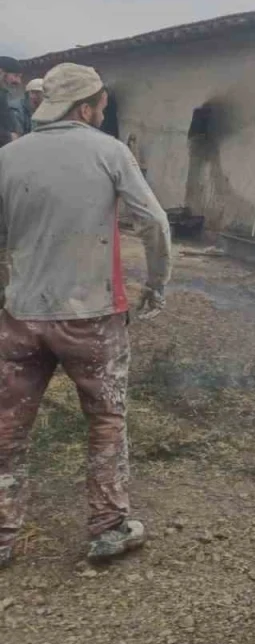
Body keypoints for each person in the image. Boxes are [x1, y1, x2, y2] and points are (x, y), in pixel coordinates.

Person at [0, 63, 171, 566]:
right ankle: (108, 528)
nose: (103, 112)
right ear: (84, 107)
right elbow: (154, 222)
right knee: (106, 420)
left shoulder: (7, 157)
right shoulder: (109, 152)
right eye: (100, 105)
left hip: (22, 316)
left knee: (8, 428)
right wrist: (157, 285)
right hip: (92, 318)